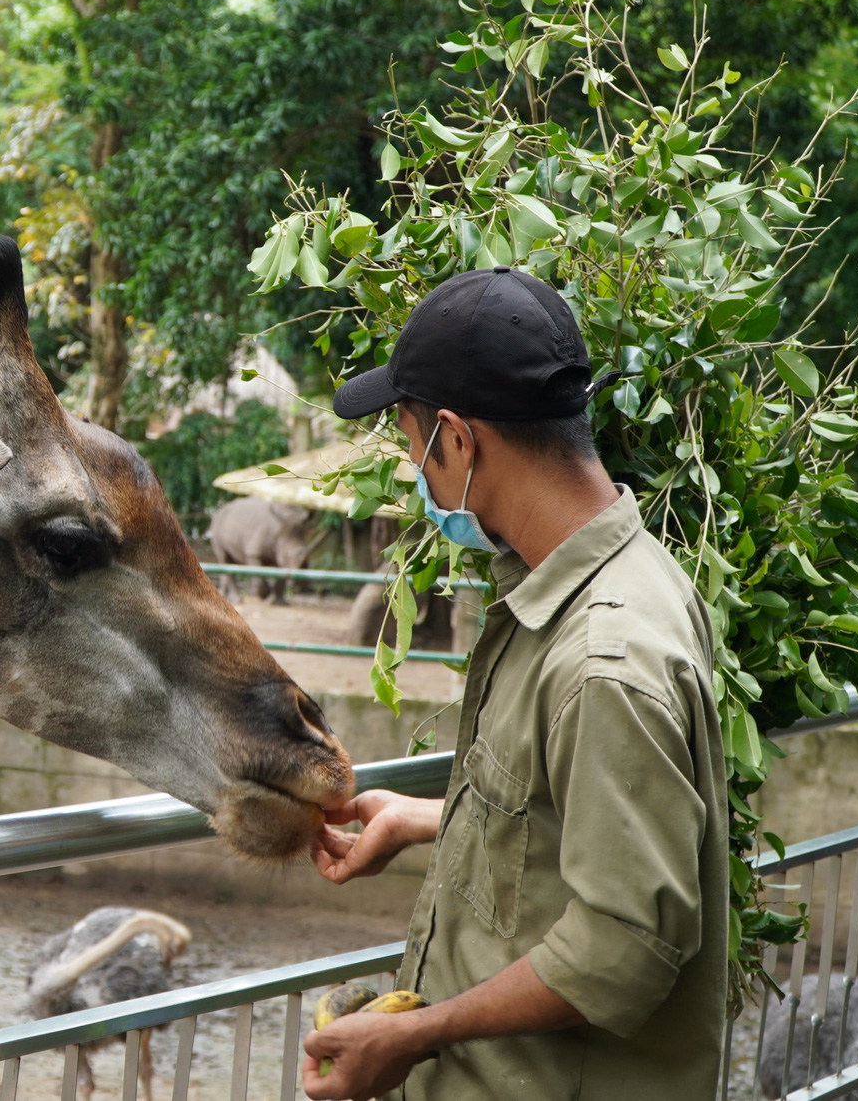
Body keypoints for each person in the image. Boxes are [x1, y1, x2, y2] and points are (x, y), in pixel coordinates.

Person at [302, 266, 727, 1100]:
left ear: (457, 440)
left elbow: (622, 947)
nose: (416, 474)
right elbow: (571, 815)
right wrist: (424, 818)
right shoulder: (616, 581)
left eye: (412, 443)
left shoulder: (604, 661)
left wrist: (415, 1034)